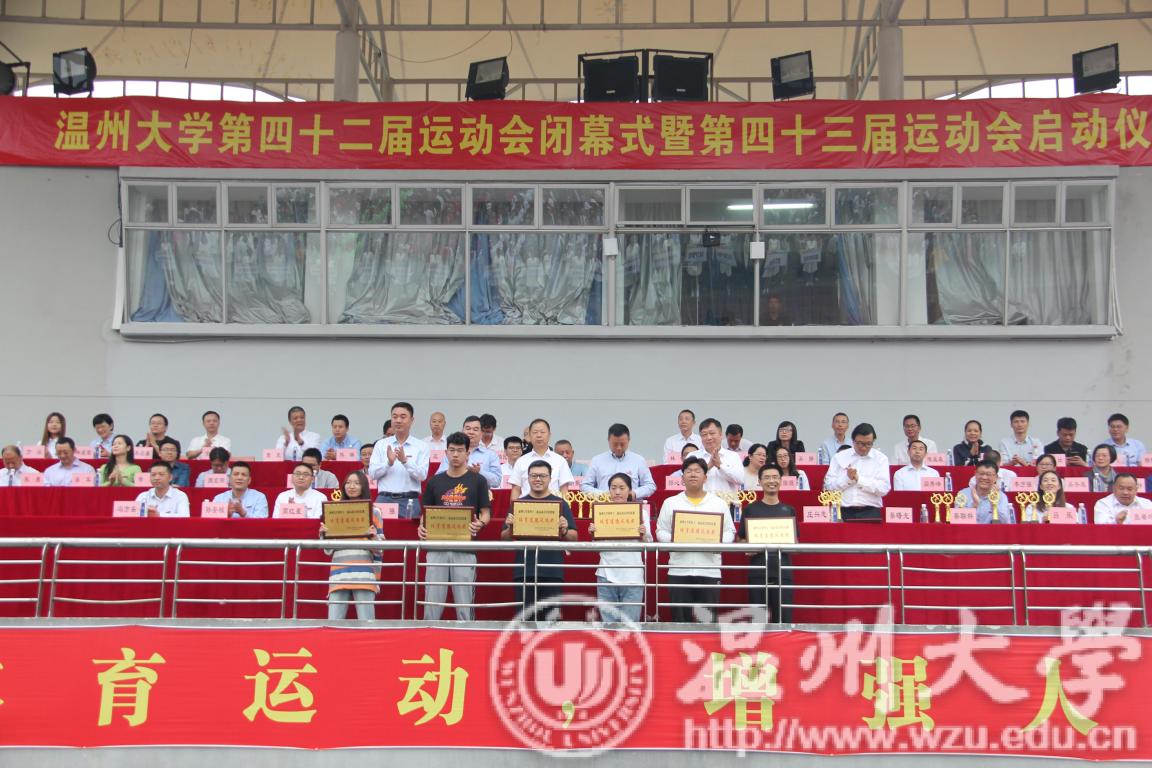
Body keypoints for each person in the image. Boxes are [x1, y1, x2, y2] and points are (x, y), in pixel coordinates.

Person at [419, 431, 492, 621]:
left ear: (468, 453)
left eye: (460, 450)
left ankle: (467, 635)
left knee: (464, 604)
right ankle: (430, 633)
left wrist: (480, 523)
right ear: (446, 452)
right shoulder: (435, 481)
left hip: (465, 548)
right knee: (432, 602)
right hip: (437, 547)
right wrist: (421, 527)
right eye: (451, 450)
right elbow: (425, 514)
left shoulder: (478, 481)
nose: (455, 454)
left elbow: (486, 512)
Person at [656, 457, 735, 623]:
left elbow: (730, 532)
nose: (693, 475)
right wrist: (677, 541)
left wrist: (716, 542)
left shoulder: (718, 503)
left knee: (707, 623)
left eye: (697, 471)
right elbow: (660, 531)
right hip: (679, 570)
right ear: (682, 477)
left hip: (709, 571)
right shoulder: (670, 503)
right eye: (689, 471)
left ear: (705, 477)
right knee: (680, 621)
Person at [501, 460, 577, 619]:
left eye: (542, 476)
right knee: (525, 620)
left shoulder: (560, 503)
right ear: (527, 478)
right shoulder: (518, 504)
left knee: (550, 621)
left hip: (552, 570)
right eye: (534, 475)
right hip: (524, 570)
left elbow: (574, 537)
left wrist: (564, 530)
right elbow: (504, 537)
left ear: (550, 478)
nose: (538, 479)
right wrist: (510, 528)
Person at [588, 472, 651, 623]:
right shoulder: (601, 512)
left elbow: (648, 544)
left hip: (632, 576)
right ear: (608, 490)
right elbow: (596, 548)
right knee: (609, 625)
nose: (617, 492)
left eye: (622, 488)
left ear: (630, 491)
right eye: (613, 488)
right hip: (606, 574)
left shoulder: (641, 513)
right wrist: (593, 534)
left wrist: (643, 534)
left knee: (630, 626)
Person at [738, 464, 796, 623]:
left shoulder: (789, 510)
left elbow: (795, 544)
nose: (772, 481)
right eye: (767, 477)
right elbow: (740, 539)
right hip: (758, 572)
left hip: (782, 573)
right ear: (759, 481)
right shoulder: (750, 509)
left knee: (783, 620)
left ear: (781, 480)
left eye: (775, 477)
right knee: (758, 622)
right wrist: (749, 546)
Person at [321, 470, 381, 620]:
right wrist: (324, 534)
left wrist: (373, 537)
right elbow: (328, 550)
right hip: (339, 573)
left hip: (364, 574)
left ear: (364, 486)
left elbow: (380, 549)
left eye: (356, 483)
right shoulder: (334, 511)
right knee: (334, 623)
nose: (351, 486)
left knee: (367, 623)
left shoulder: (374, 512)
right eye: (348, 483)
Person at [368, 402, 429, 520]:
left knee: (408, 532)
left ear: (412, 420)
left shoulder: (421, 446)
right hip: (384, 499)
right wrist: (388, 463)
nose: (398, 420)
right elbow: (372, 474)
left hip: (410, 500)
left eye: (403, 417)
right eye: (394, 417)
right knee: (380, 531)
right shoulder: (381, 444)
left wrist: (405, 461)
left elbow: (422, 476)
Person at [823, 424, 890, 521]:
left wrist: (859, 479)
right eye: (859, 443)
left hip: (871, 511)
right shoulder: (839, 457)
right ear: (853, 441)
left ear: (873, 441)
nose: (863, 448)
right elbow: (828, 487)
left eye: (868, 444)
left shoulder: (881, 459)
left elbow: (883, 489)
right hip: (843, 511)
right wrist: (847, 479)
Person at [581, 423, 657, 499]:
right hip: (605, 504)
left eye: (622, 444)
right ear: (608, 440)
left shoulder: (638, 460)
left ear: (628, 440)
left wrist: (634, 493)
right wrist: (603, 494)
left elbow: (650, 486)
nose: (619, 448)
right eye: (615, 444)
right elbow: (584, 486)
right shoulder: (597, 460)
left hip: (631, 504)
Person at [508, 418, 574, 496]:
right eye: (535, 432)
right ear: (530, 435)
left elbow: (564, 490)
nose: (539, 435)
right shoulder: (521, 461)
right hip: (526, 503)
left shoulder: (560, 461)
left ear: (549, 435)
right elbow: (516, 490)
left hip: (553, 503)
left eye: (542, 432)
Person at [437, 415, 502, 489]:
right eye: (468, 429)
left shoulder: (491, 455)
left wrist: (479, 472)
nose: (471, 432)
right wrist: (456, 470)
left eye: (475, 429)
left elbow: (497, 481)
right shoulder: (452, 453)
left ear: (481, 433)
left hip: (479, 495)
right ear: (462, 431)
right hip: (454, 493)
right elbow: (438, 477)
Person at [689, 418, 744, 493]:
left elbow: (740, 479)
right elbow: (687, 480)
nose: (709, 438)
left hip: (726, 499)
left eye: (712, 433)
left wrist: (720, 465)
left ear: (721, 435)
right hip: (701, 499)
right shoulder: (693, 456)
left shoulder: (733, 456)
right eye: (704, 434)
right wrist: (708, 466)